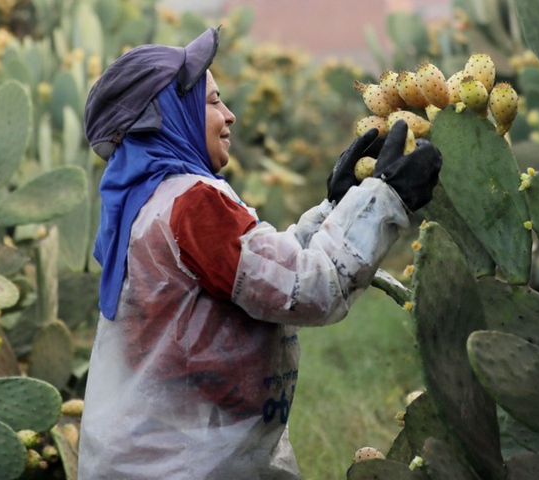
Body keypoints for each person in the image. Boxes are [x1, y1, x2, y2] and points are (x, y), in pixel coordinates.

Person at [78, 26, 442, 479]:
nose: (229, 116)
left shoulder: (148, 205)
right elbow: (308, 289)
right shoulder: (191, 203)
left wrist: (335, 207)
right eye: (211, 103)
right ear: (169, 114)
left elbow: (258, 270)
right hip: (187, 466)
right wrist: (387, 199)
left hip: (155, 456)